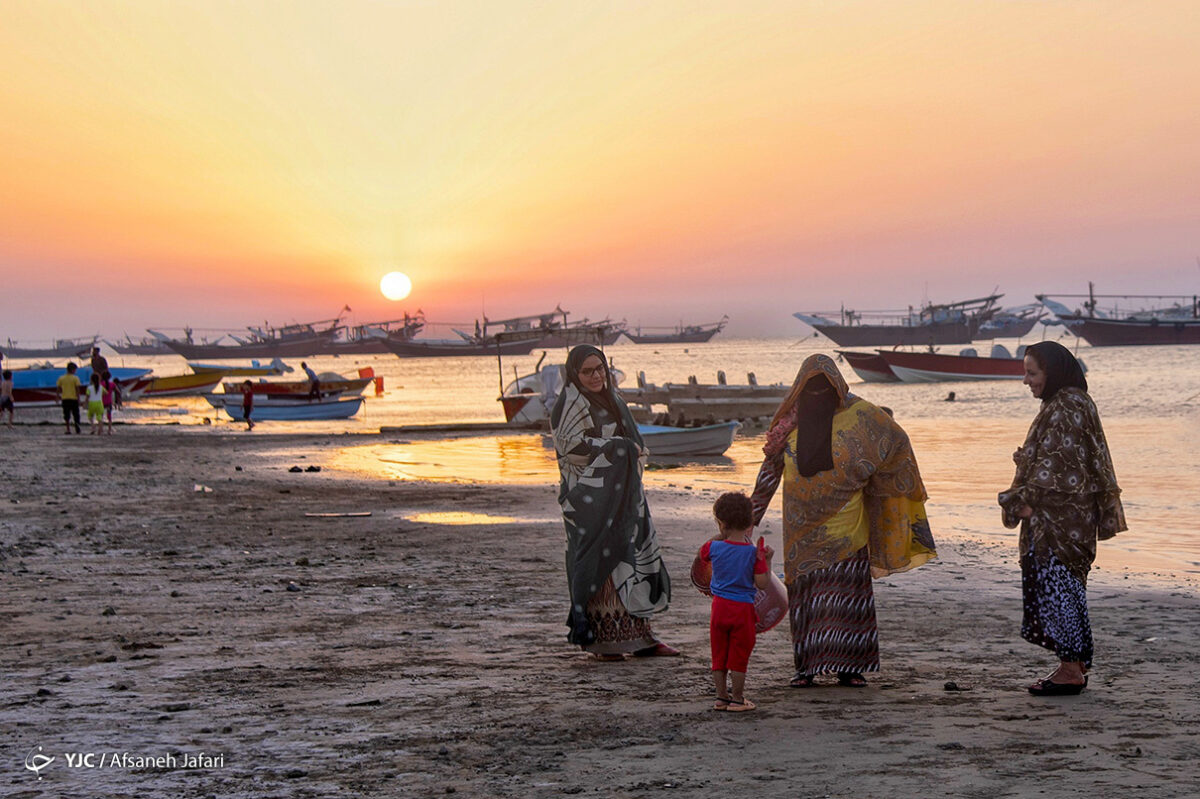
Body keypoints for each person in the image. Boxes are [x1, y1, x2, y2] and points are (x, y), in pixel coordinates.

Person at [751, 353, 937, 687]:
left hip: (848, 528)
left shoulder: (861, 416)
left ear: (839, 387)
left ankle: (850, 668)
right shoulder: (788, 426)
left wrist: (880, 486)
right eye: (811, 389)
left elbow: (896, 443)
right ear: (799, 390)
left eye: (825, 389)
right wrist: (747, 521)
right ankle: (807, 667)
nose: (818, 396)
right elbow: (768, 476)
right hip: (801, 532)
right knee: (807, 598)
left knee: (848, 597)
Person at [999, 341, 1125, 696]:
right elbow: (1059, 460)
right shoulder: (1073, 402)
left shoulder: (1066, 406)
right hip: (1072, 519)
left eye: (1032, 373)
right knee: (1069, 589)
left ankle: (1070, 670)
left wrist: (1022, 501)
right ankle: (1074, 663)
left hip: (1059, 521)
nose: (1026, 381)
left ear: (1052, 373)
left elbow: (1056, 469)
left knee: (1059, 590)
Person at [550, 344, 676, 661]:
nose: (596, 376)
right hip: (589, 500)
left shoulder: (615, 401)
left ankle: (641, 636)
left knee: (629, 560)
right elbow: (571, 450)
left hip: (624, 496)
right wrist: (616, 448)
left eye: (600, 369)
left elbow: (638, 445)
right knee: (600, 564)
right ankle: (604, 642)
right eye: (588, 371)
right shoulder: (568, 405)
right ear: (574, 374)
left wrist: (626, 454)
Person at [700, 492, 773, 712]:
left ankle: (721, 697)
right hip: (742, 610)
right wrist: (767, 561)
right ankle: (738, 699)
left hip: (719, 608)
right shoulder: (753, 554)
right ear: (750, 522)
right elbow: (761, 583)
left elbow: (700, 555)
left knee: (719, 652)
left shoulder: (713, 548)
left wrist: (718, 536)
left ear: (721, 523)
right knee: (739, 654)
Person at [56, 362, 82, 434]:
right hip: (73, 399)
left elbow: (58, 389)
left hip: (65, 398)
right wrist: (79, 399)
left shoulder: (61, 378)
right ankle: (77, 427)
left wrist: (57, 397)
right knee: (76, 414)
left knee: (66, 415)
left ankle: (68, 429)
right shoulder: (75, 378)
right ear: (73, 370)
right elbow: (77, 389)